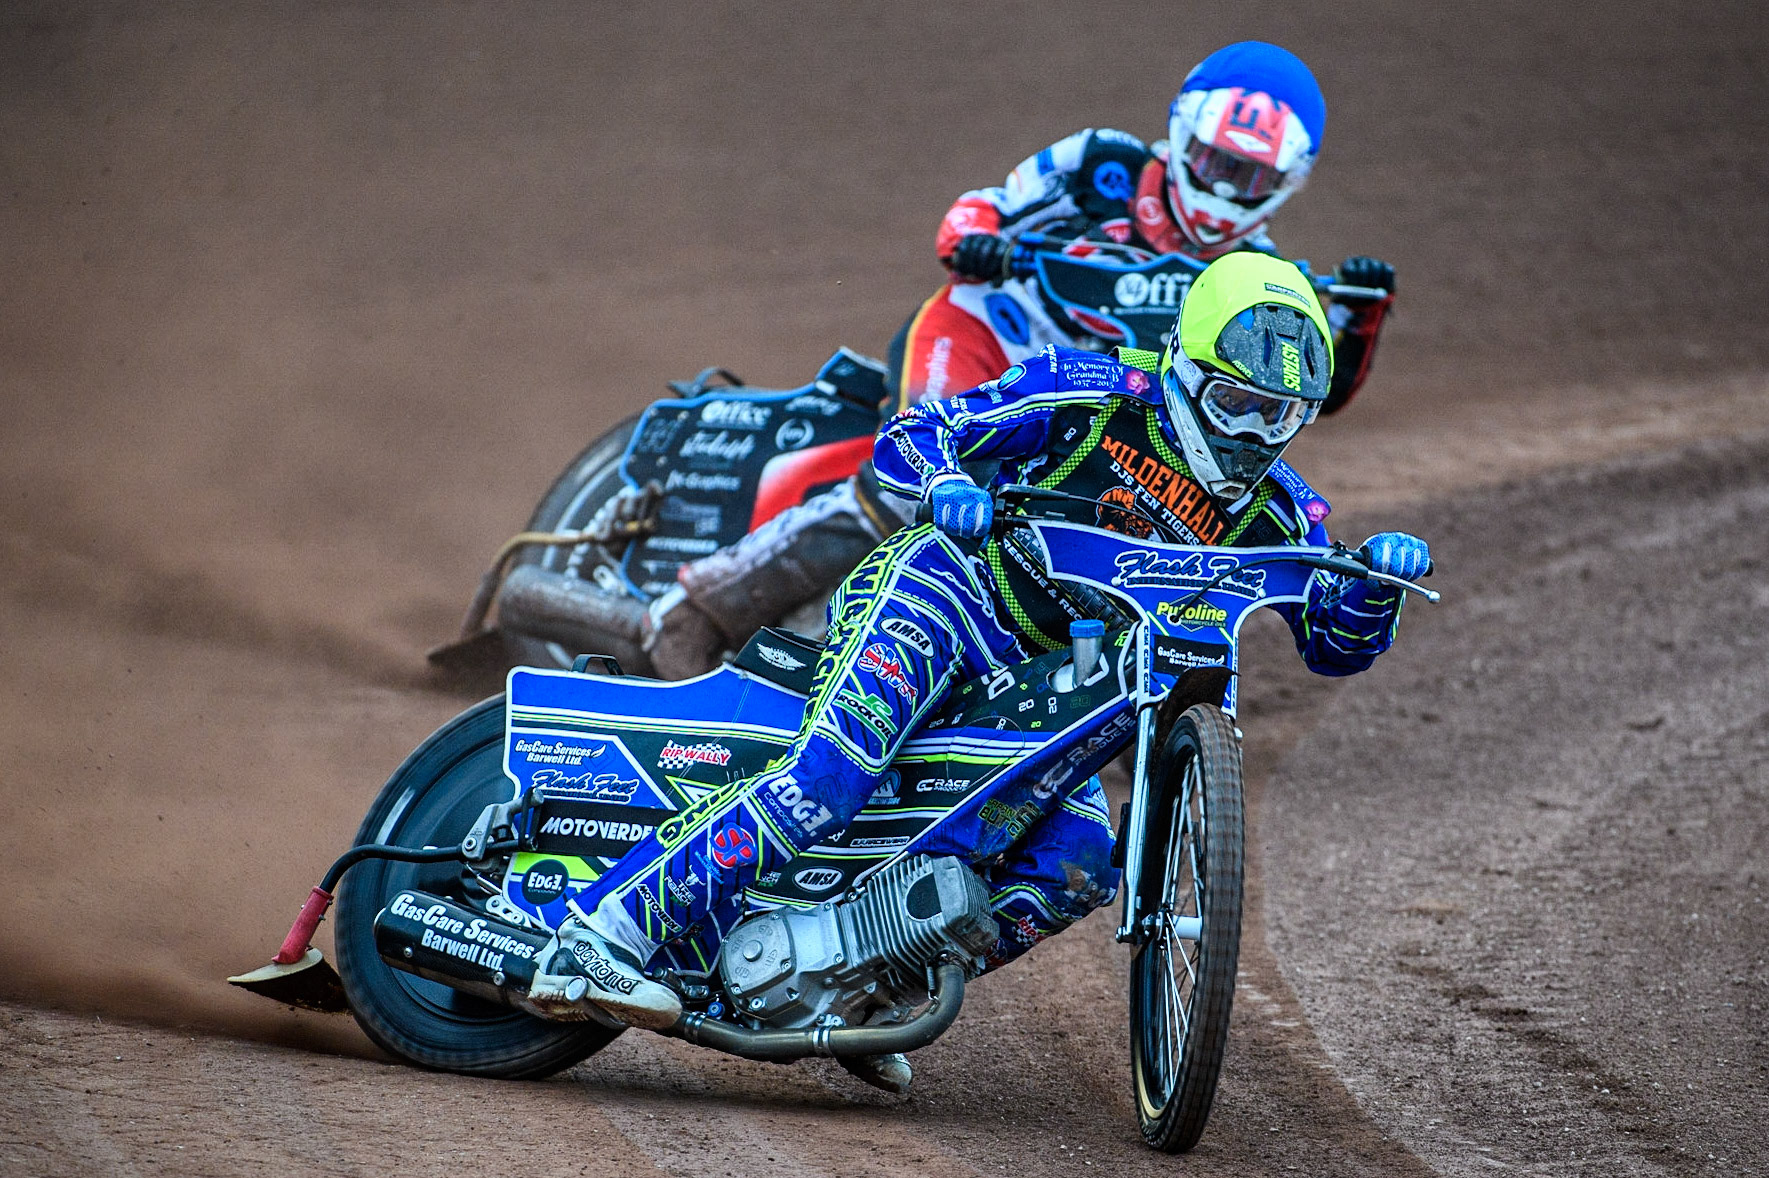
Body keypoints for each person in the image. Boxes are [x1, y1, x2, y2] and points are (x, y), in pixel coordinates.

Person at [528, 252, 1431, 1094]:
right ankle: (598, 932)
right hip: (948, 597)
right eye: (1237, 403)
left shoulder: (1285, 509)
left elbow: (1332, 644)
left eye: (1280, 415)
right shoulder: (1090, 391)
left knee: (1078, 863)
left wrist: (1376, 586)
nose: (1254, 434)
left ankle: (851, 993)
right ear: (1187, 369)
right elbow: (915, 435)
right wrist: (947, 483)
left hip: (1054, 685)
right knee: (830, 776)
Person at [642, 41, 1396, 679]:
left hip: (1089, 416)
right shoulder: (1100, 165)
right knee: (918, 479)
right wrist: (975, 241)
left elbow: (1306, 391)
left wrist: (1357, 321)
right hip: (987, 337)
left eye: (1251, 177)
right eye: (1213, 161)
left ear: (1286, 184)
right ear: (1179, 135)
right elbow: (980, 208)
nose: (1225, 188)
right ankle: (701, 607)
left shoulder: (1256, 278)